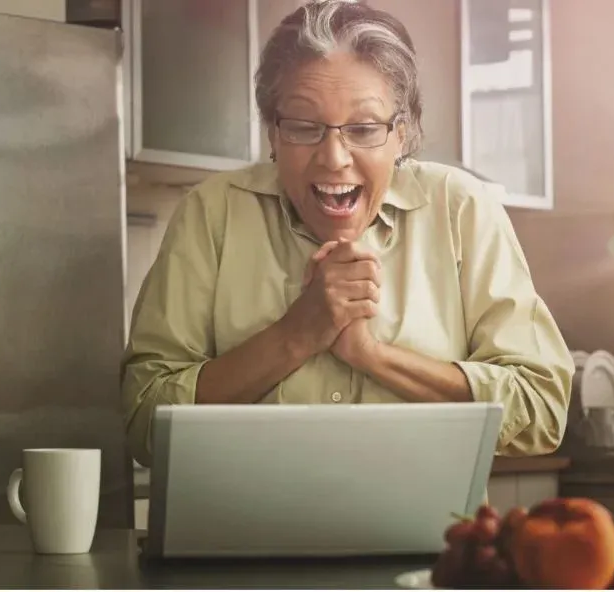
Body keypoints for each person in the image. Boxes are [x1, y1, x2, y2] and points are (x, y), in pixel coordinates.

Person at [121, 0, 574, 467]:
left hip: (432, 541)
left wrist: (371, 355)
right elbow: (143, 421)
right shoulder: (212, 212)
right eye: (303, 127)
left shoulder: (460, 209)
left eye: (363, 128)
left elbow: (541, 411)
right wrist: (296, 335)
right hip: (242, 542)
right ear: (273, 134)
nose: (334, 157)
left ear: (403, 133)